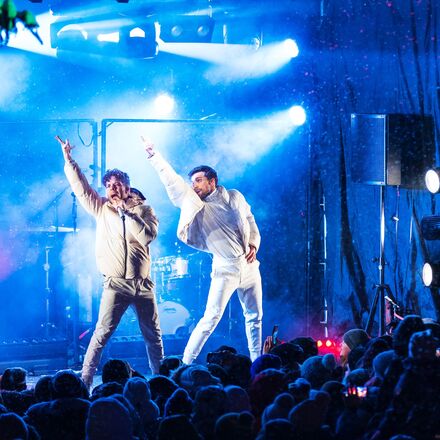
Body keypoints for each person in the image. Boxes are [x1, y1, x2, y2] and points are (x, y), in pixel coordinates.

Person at [143, 138, 263, 363]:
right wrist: (154, 156)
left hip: (249, 266)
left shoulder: (235, 196)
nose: (194, 185)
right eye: (193, 182)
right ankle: (185, 363)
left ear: (212, 181)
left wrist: (254, 244)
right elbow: (173, 181)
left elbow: (250, 219)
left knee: (255, 317)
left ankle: (258, 363)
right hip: (225, 268)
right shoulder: (195, 203)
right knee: (211, 317)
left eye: (198, 180)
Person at [56, 136, 164, 387]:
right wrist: (69, 160)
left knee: (153, 336)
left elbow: (147, 236)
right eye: (109, 185)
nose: (113, 188)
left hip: (143, 284)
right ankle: (84, 380)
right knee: (101, 334)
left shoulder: (145, 211)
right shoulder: (101, 208)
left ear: (128, 186)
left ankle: (161, 380)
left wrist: (128, 213)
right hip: (116, 284)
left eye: (118, 184)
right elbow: (81, 188)